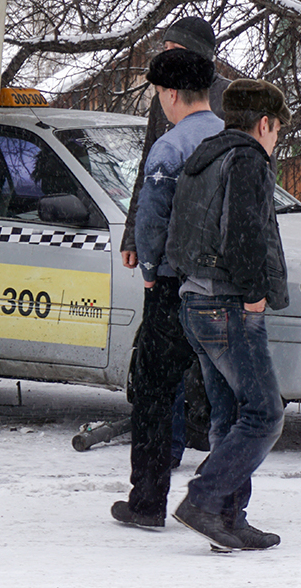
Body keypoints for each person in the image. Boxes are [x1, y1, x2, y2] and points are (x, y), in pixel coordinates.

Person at [167, 79, 293, 551]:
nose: (276, 138)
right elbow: (243, 230)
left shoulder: (204, 155)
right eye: (277, 129)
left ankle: (226, 518)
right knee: (265, 413)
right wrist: (254, 291)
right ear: (265, 123)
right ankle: (204, 498)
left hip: (194, 302)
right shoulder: (246, 158)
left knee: (230, 415)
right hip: (230, 304)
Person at [111, 48, 224, 529]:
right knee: (225, 398)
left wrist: (153, 271)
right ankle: (221, 504)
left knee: (156, 391)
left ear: (171, 94)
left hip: (174, 288)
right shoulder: (233, 139)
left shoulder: (169, 148)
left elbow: (153, 219)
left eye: (160, 95)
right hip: (224, 292)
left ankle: (148, 502)